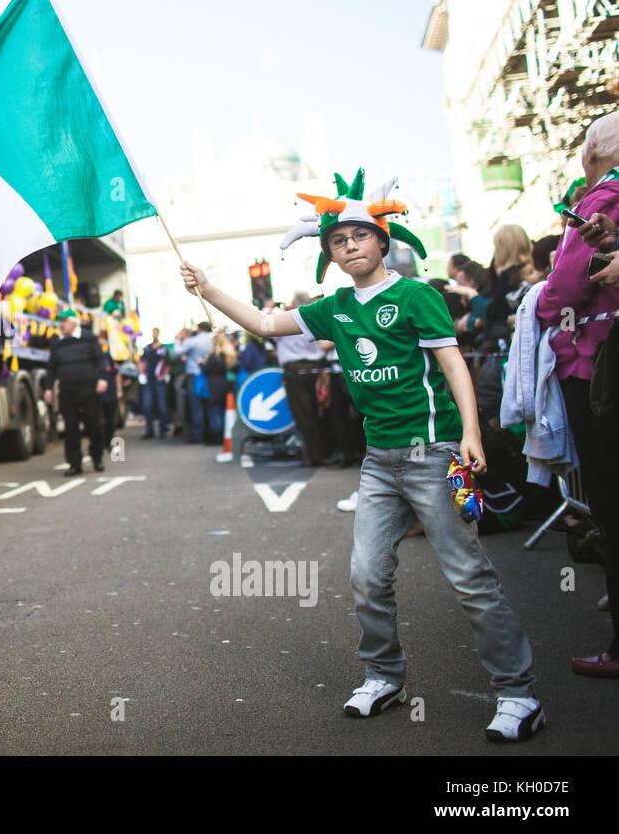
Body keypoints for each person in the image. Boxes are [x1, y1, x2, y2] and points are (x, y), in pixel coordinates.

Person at [181, 170, 543, 741]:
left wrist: (471, 433)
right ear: (329, 254)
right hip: (379, 462)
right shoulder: (335, 307)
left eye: (358, 237)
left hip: (434, 454)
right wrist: (208, 288)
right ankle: (385, 677)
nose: (349, 247)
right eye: (337, 242)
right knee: (367, 575)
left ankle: (518, 694)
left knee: (469, 579)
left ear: (381, 240)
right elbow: (264, 323)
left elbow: (453, 365)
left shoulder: (415, 294)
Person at [536, 111, 619, 678]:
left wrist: (543, 306)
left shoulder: (599, 197)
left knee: (611, 500)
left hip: (596, 366)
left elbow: (563, 287)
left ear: (591, 152)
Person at [42, 309, 109, 476]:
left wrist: (103, 378)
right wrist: (48, 388)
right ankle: (74, 464)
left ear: (74, 322)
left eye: (64, 321)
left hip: (88, 389)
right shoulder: (57, 342)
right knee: (71, 429)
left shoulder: (88, 338)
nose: (61, 325)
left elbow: (100, 359)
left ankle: (97, 457)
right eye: (60, 321)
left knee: (94, 426)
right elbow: (51, 368)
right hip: (67, 390)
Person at [275, 293, 332, 467]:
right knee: (322, 411)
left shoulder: (287, 320)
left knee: (304, 415)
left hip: (296, 372)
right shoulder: (314, 318)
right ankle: (326, 452)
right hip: (317, 368)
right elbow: (326, 342)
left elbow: (266, 330)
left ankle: (315, 456)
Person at [177, 323, 214, 442]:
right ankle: (209, 433)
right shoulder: (211, 340)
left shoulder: (193, 341)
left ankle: (198, 434)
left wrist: (178, 339)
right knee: (207, 405)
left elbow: (177, 352)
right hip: (208, 375)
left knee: (196, 406)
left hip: (194, 375)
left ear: (199, 329)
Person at [200, 332, 237, 445]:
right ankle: (224, 435)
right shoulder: (230, 356)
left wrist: (202, 364)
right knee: (223, 412)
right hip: (226, 385)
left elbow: (206, 370)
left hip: (214, 386)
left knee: (215, 412)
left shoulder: (214, 357)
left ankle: (216, 437)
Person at [139, 327, 169, 438]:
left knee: (162, 406)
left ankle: (163, 430)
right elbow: (141, 361)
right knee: (147, 405)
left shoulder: (163, 348)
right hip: (148, 380)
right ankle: (149, 431)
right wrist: (141, 373)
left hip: (159, 380)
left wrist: (164, 375)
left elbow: (168, 363)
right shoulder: (147, 348)